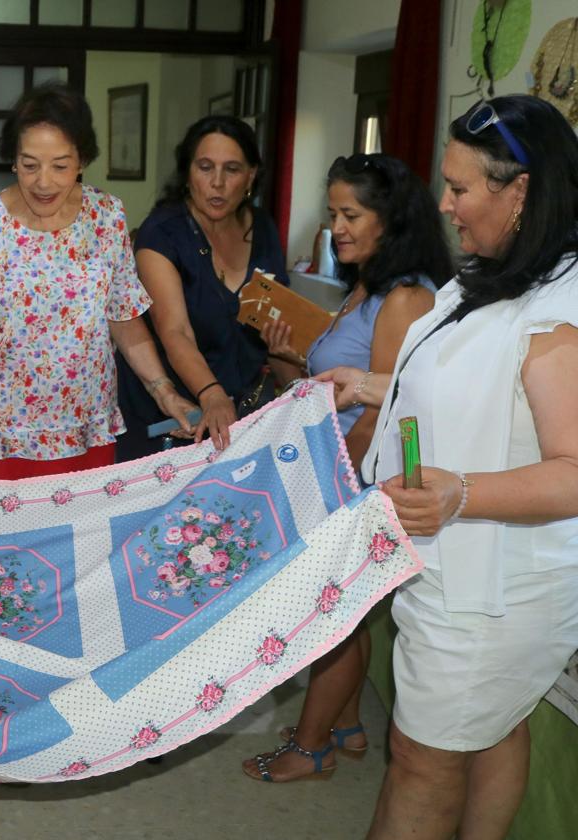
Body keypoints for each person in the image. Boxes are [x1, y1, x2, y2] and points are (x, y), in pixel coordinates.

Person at [328, 96, 578, 838]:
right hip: (450, 563)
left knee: (421, 756)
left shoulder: (557, 314)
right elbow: (464, 386)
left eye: (461, 189)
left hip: (494, 588)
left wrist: (463, 493)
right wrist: (369, 386)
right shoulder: (487, 278)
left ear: (522, 190)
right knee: (494, 726)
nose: (444, 203)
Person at [240, 153, 451, 783]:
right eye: (333, 213)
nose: (337, 227)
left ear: (392, 218)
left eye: (351, 214)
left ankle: (311, 748)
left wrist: (331, 484)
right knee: (347, 613)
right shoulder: (367, 284)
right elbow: (329, 387)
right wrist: (285, 359)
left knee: (335, 620)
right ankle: (348, 725)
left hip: (356, 481)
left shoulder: (407, 296)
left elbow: (388, 406)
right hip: (338, 469)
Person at [0, 83, 197, 489]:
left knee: (77, 550)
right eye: (30, 165)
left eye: (60, 165)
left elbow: (123, 321)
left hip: (83, 431)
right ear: (13, 161)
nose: (44, 182)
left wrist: (164, 391)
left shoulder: (106, 218)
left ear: (82, 160)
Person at [115, 116, 289, 459]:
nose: (218, 183)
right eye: (205, 167)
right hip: (169, 418)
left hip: (241, 417)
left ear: (251, 175)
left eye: (232, 169)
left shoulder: (264, 229)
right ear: (187, 172)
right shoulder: (162, 234)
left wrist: (287, 351)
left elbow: (275, 319)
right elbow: (176, 331)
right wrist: (211, 393)